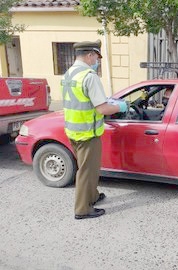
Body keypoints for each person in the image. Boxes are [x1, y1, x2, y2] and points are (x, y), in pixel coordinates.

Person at [61, 40, 128, 220]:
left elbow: (82, 100)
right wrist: (120, 107)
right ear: (90, 54)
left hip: (73, 130)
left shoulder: (69, 74)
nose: (97, 61)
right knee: (86, 171)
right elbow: (102, 109)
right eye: (96, 57)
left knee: (89, 168)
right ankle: (82, 210)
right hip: (87, 133)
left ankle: (92, 196)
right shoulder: (89, 76)